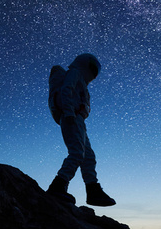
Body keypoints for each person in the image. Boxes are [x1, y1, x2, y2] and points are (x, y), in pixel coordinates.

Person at [46, 53, 116, 206]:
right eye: (93, 68)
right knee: (77, 152)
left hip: (77, 119)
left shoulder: (81, 80)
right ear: (85, 63)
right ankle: (58, 185)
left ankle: (93, 190)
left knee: (88, 156)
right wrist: (69, 113)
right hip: (71, 116)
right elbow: (66, 90)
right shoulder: (75, 72)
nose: (94, 73)